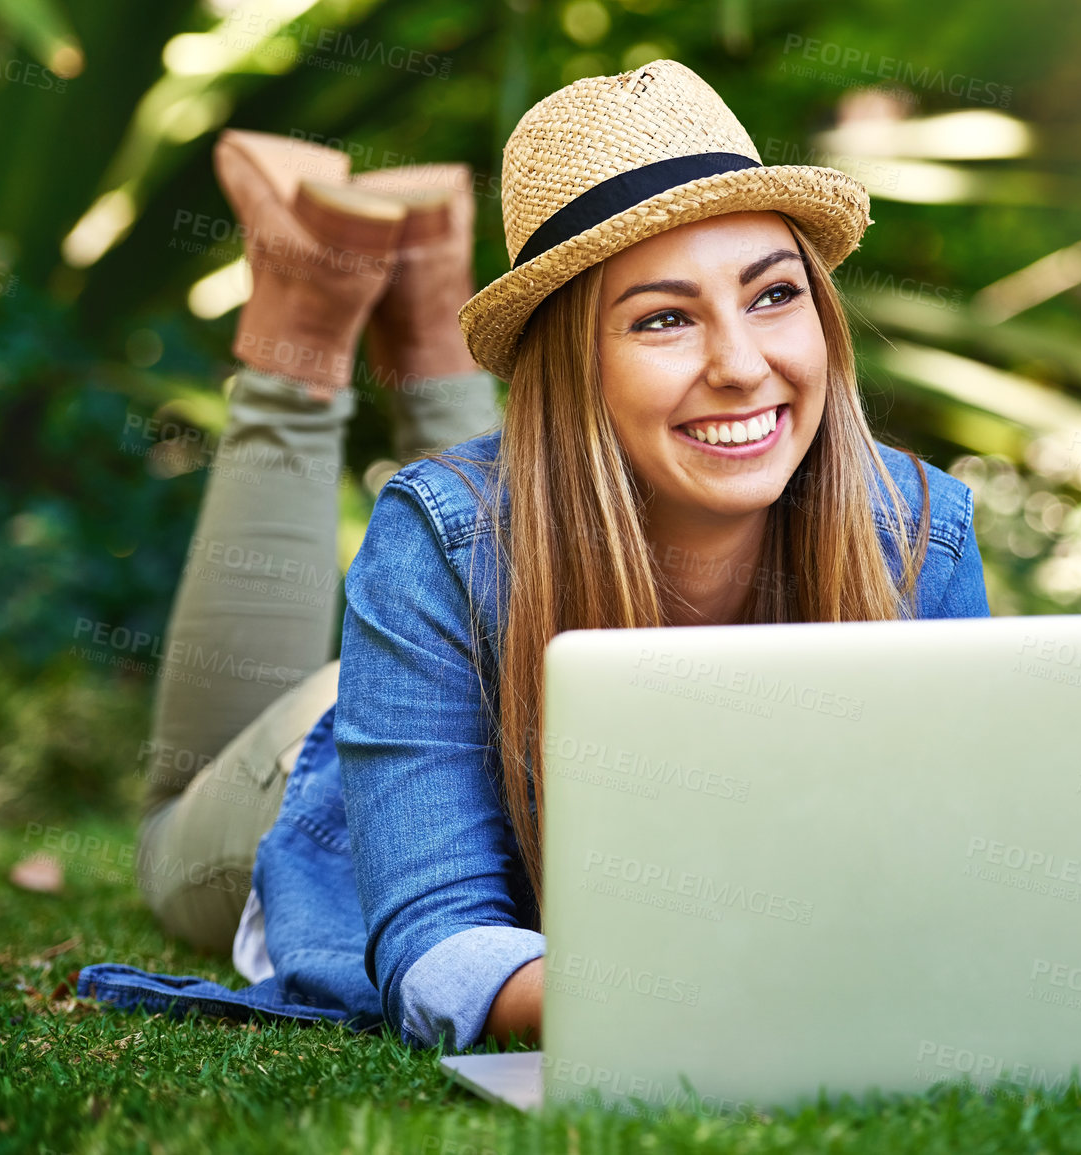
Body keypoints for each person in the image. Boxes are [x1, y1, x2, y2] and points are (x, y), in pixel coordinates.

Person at [79, 60, 991, 1053]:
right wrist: (678, 991)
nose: (741, 365)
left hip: (470, 624)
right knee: (173, 823)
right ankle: (305, 309)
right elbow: (433, 936)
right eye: (665, 318)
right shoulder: (440, 538)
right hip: (333, 774)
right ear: (571, 366)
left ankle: (432, 297)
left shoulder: (917, 528)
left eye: (772, 295)